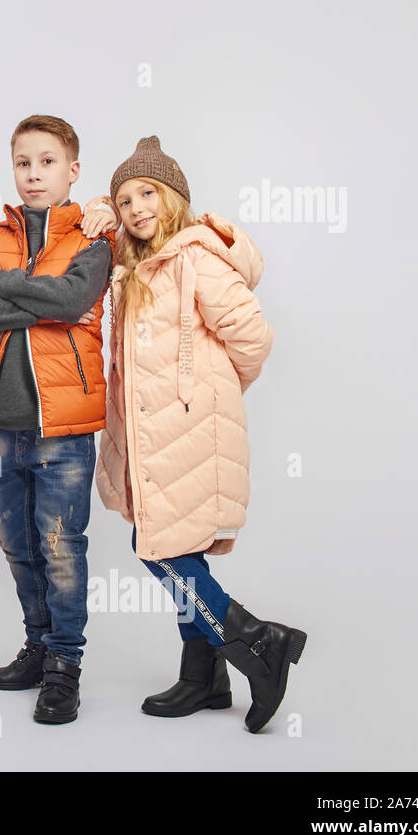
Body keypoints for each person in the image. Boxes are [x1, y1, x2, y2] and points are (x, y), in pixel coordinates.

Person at [96, 135, 306, 733]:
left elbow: (254, 338)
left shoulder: (197, 258)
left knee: (161, 547)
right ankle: (204, 675)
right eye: (126, 197)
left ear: (174, 199)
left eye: (148, 193)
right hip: (150, 433)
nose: (137, 208)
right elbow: (95, 215)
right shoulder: (134, 264)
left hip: (188, 427)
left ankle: (258, 643)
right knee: (175, 545)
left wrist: (207, 390)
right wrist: (101, 208)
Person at [0, 113, 118, 724]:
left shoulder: (94, 241)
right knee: (17, 542)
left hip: (64, 428)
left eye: (47, 162)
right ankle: (37, 645)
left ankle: (64, 667)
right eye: (23, 162)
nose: (33, 173)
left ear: (72, 171)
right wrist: (36, 300)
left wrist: (10, 287)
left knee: (61, 548)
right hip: (2, 422)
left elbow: (77, 300)